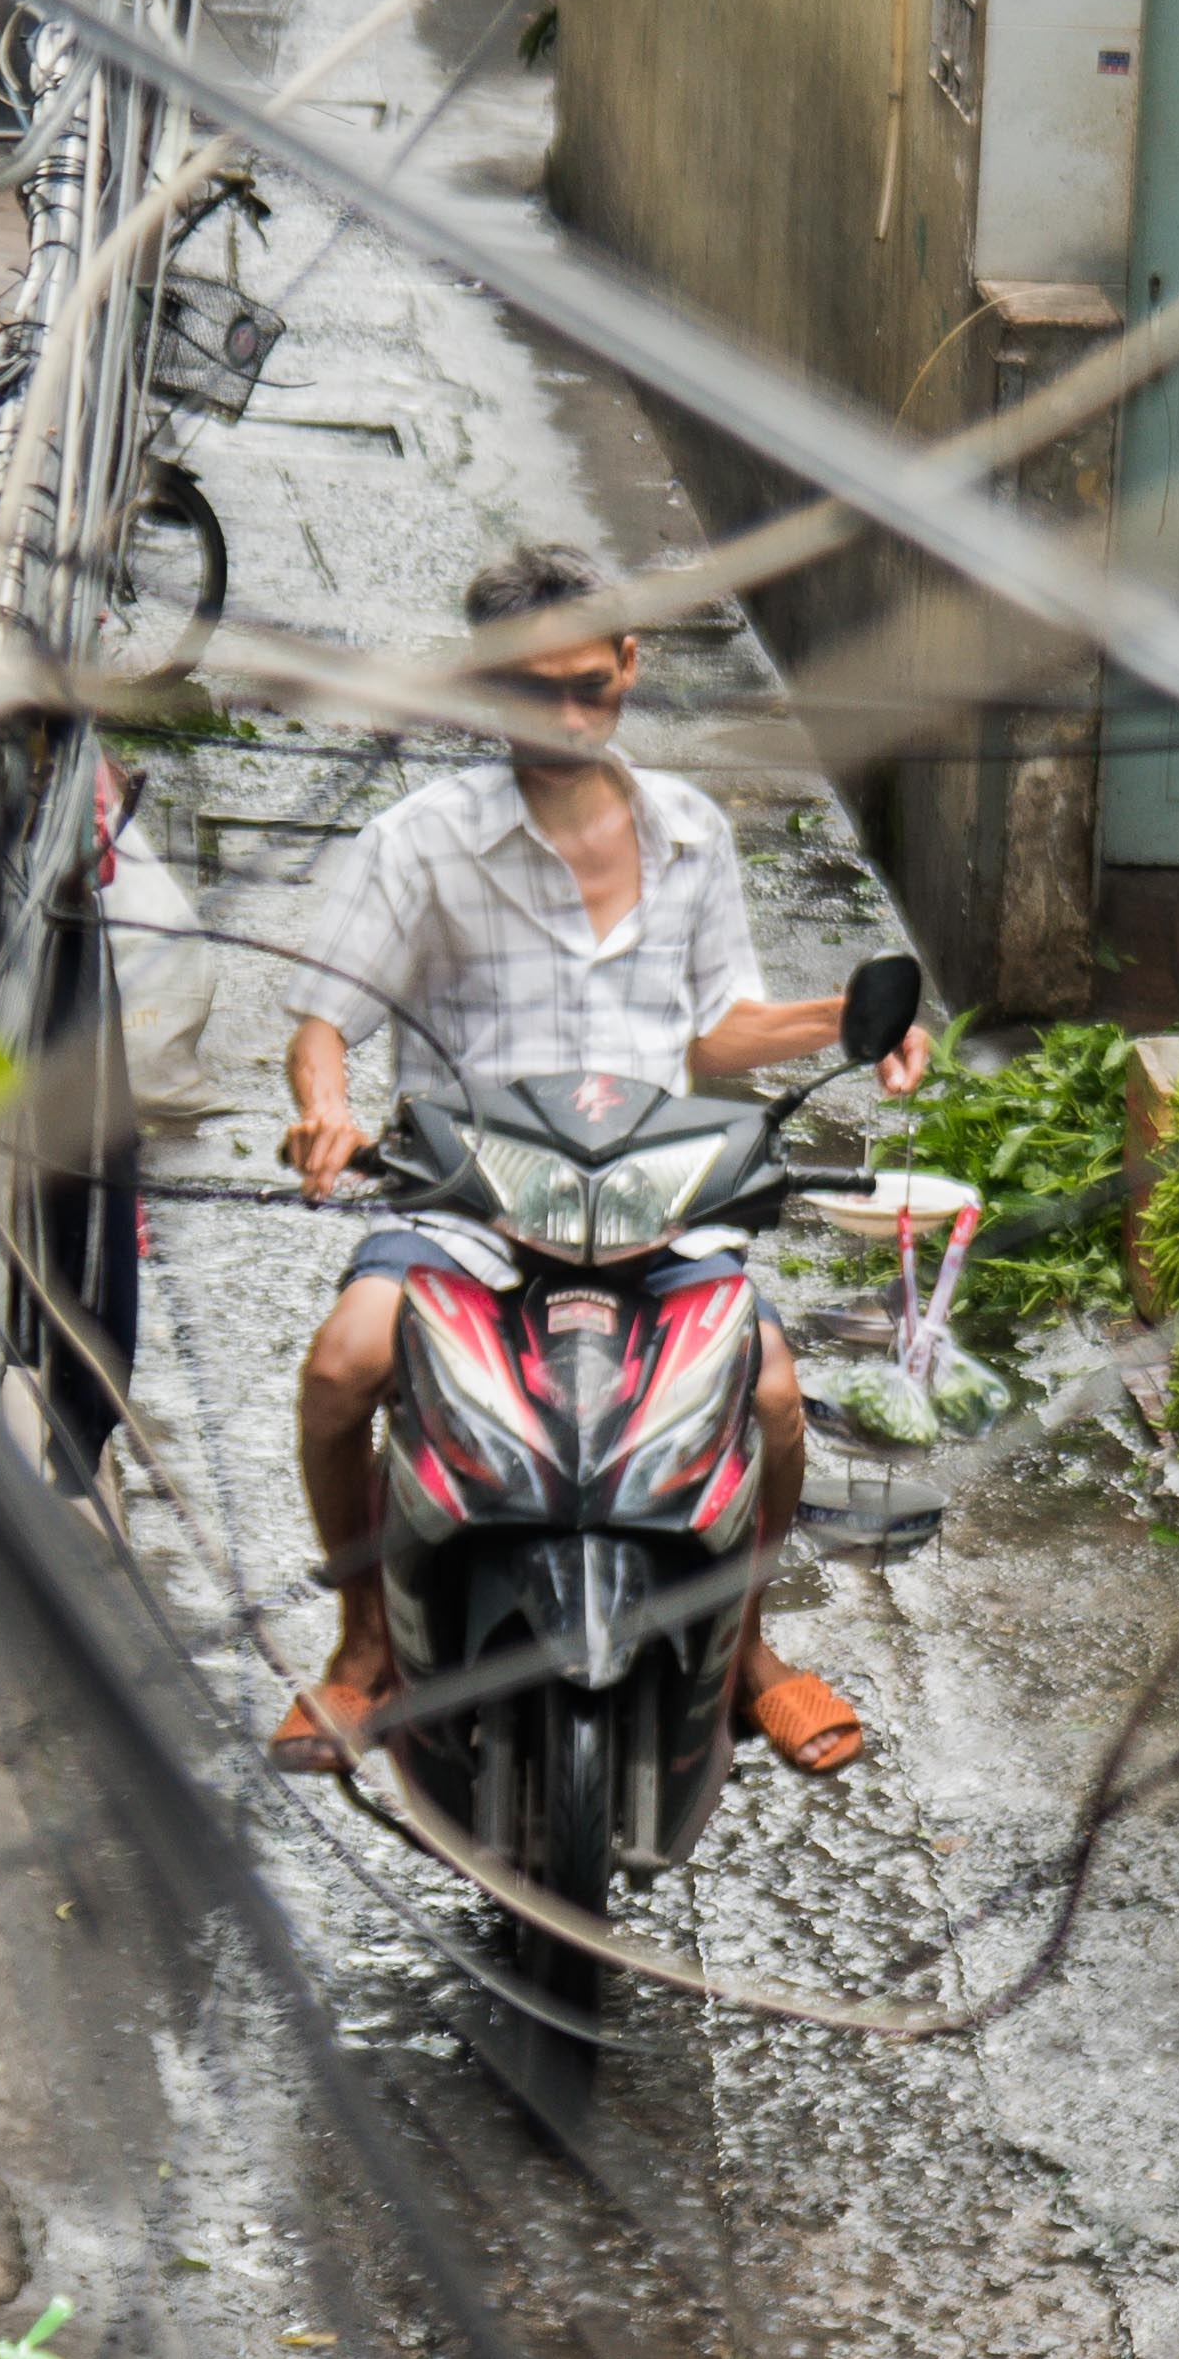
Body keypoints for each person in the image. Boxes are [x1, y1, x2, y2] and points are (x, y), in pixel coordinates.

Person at [272, 542, 932, 1781]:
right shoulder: (421, 845)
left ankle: (745, 1649)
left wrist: (852, 1016)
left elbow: (718, 1026)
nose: (567, 715)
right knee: (342, 1363)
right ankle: (362, 1646)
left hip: (649, 1199)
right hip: (468, 1201)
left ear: (631, 662)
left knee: (775, 1395)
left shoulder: (687, 835)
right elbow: (324, 1021)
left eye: (589, 682)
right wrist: (327, 1112)